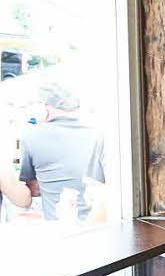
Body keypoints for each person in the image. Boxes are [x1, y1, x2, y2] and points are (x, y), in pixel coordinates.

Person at [19, 80, 105, 222]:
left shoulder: (30, 136)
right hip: (97, 224)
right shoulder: (97, 133)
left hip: (57, 227)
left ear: (46, 106)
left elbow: (33, 190)